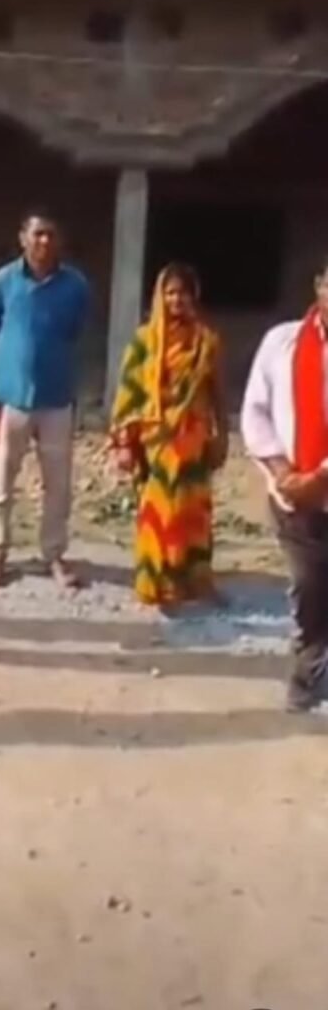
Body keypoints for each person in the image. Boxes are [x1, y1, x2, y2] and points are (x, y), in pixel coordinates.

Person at [110, 264, 229, 607]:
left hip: (194, 438)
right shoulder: (144, 341)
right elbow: (129, 393)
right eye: (171, 292)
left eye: (183, 292)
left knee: (193, 508)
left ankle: (194, 578)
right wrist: (123, 443)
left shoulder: (206, 341)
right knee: (160, 508)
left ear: (194, 296)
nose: (177, 299)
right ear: (160, 296)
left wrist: (222, 435)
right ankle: (158, 580)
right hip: (156, 439)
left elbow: (216, 392)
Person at [0, 209, 90, 588]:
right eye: (38, 233)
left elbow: (76, 330)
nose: (44, 241)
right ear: (23, 238)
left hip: (57, 398)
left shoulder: (75, 285)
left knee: (57, 482)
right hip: (11, 398)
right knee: (1, 476)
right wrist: (7, 372)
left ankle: (54, 554)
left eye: (51, 234)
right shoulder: (3, 282)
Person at [241, 257, 328, 712]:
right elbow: (255, 410)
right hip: (294, 499)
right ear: (319, 286)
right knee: (309, 589)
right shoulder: (281, 342)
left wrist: (321, 477)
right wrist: (282, 472)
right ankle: (307, 676)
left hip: (318, 483)